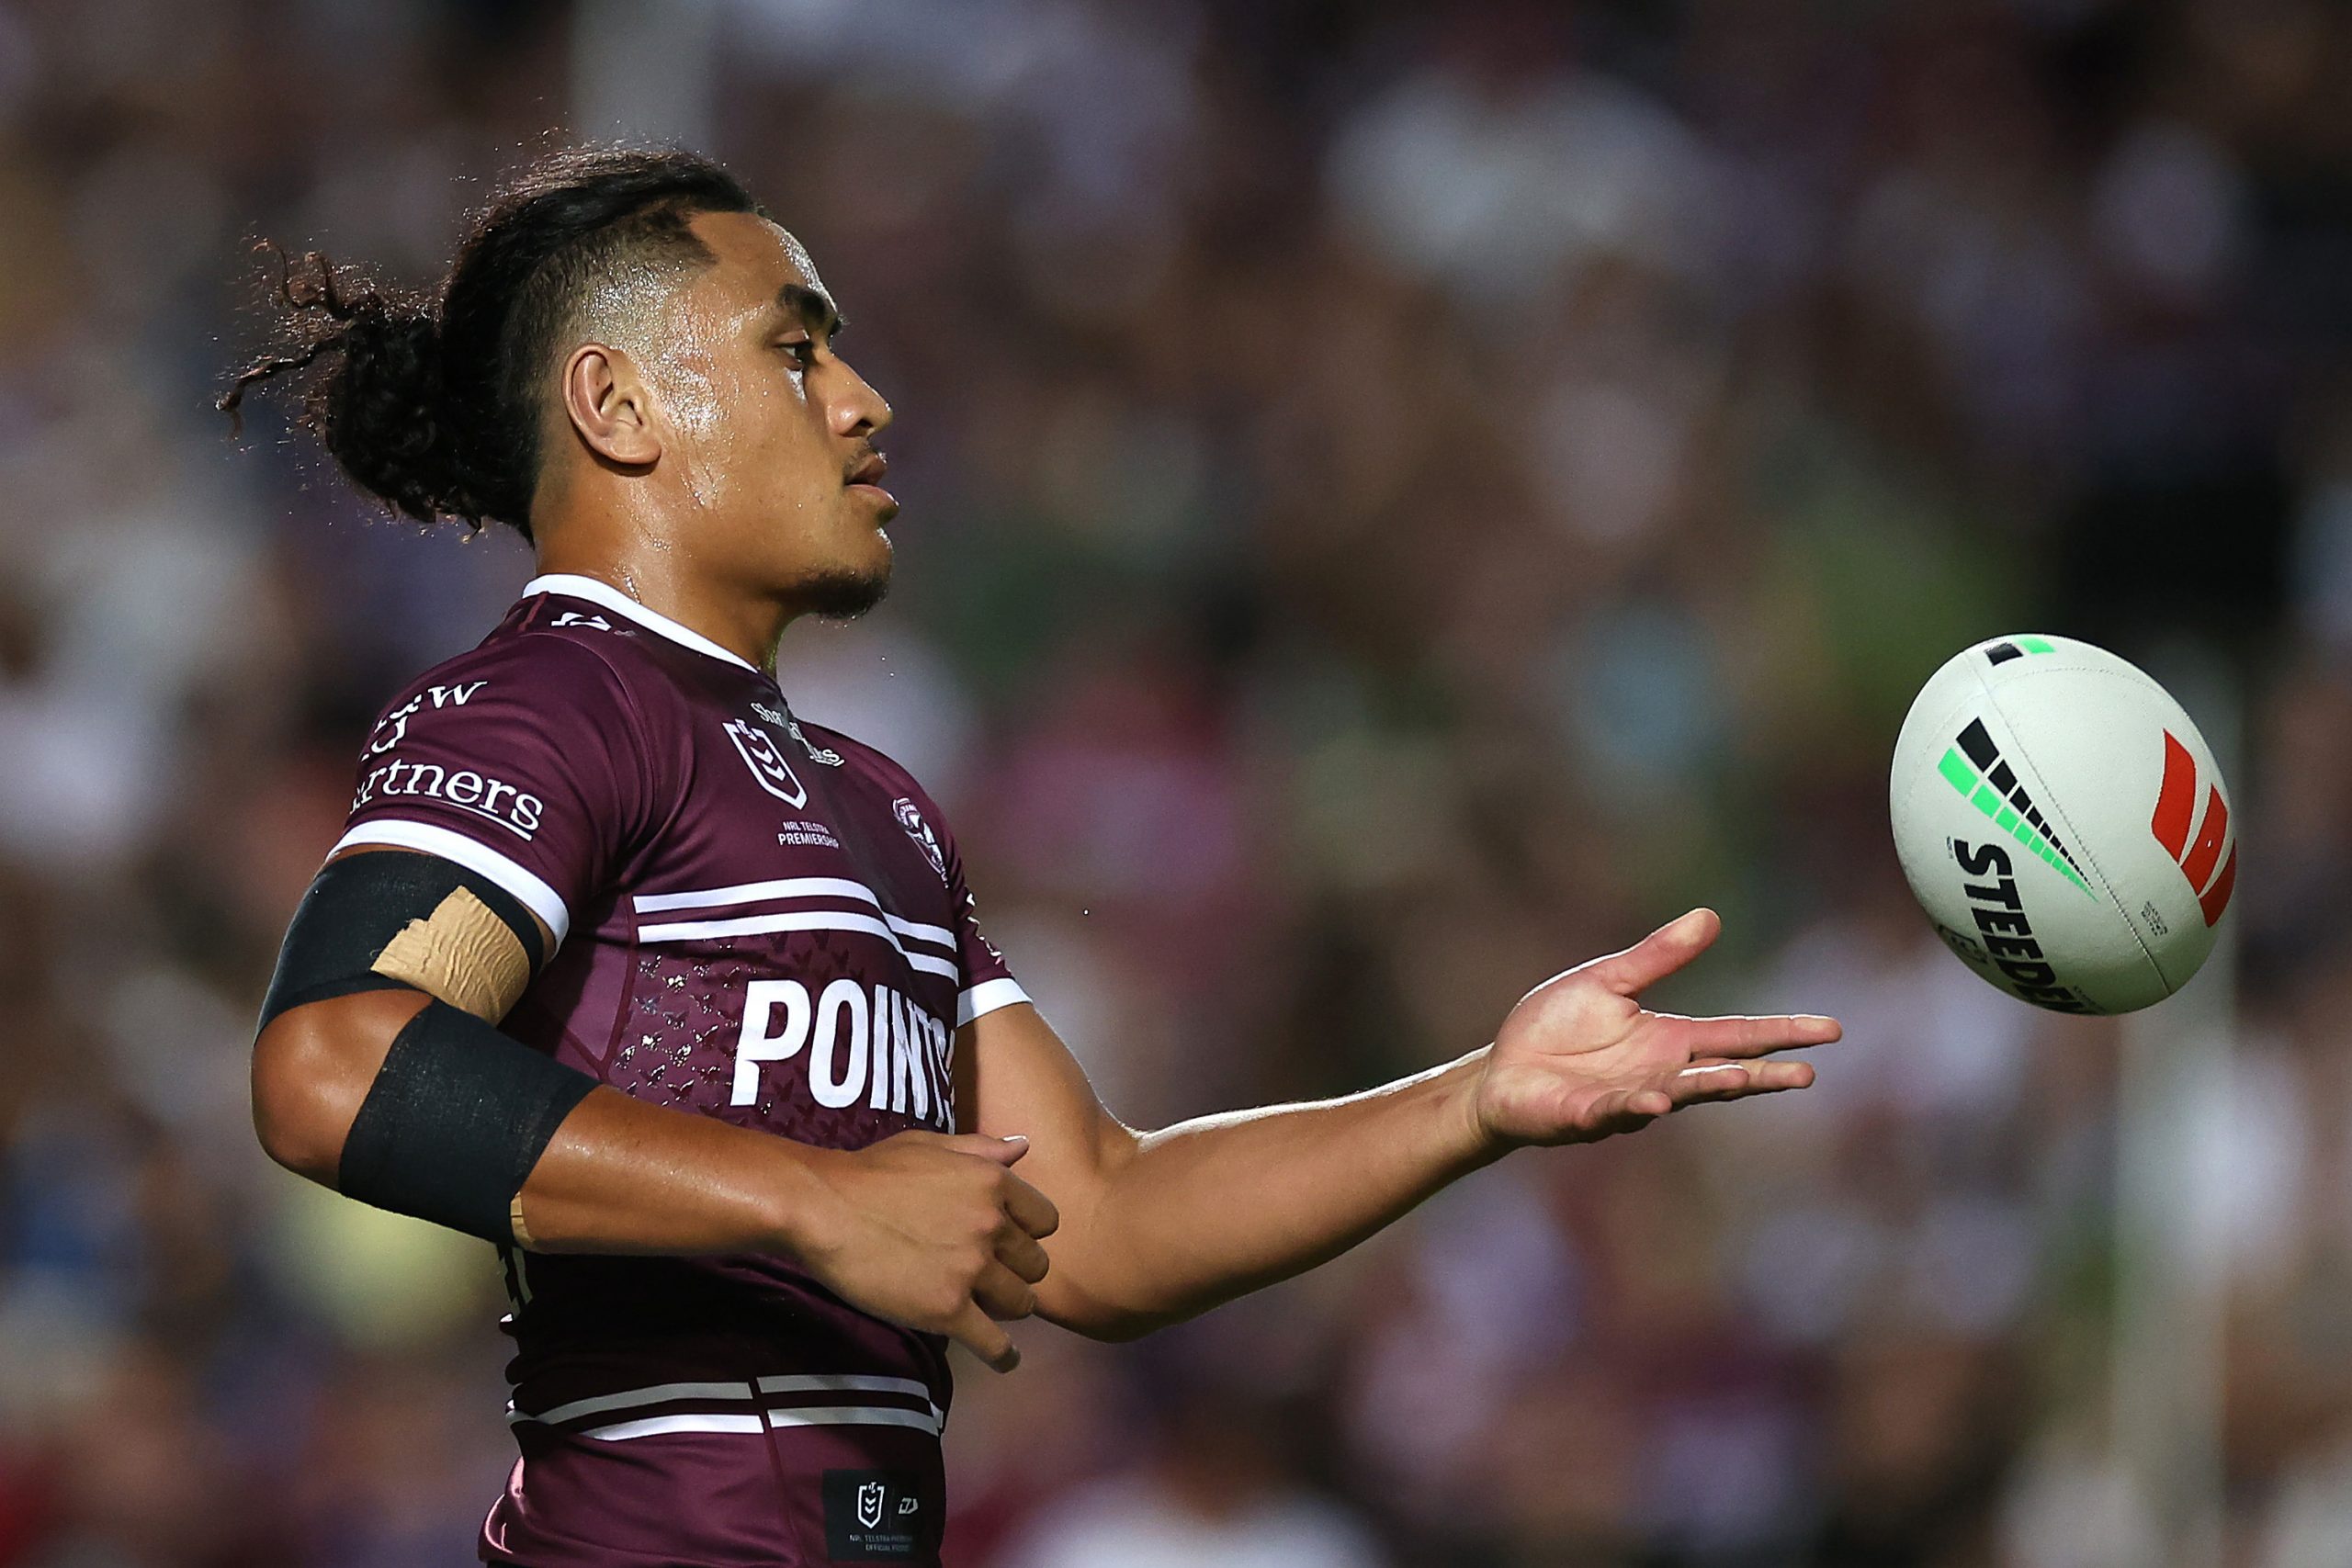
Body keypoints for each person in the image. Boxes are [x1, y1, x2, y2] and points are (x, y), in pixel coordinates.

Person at [223, 144, 1840, 1568]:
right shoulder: (552, 702)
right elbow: (336, 1063)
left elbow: (1105, 1217)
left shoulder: (875, 803)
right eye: (795, 349)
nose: (863, 400)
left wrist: (1477, 1099)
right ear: (619, 404)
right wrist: (809, 1203)